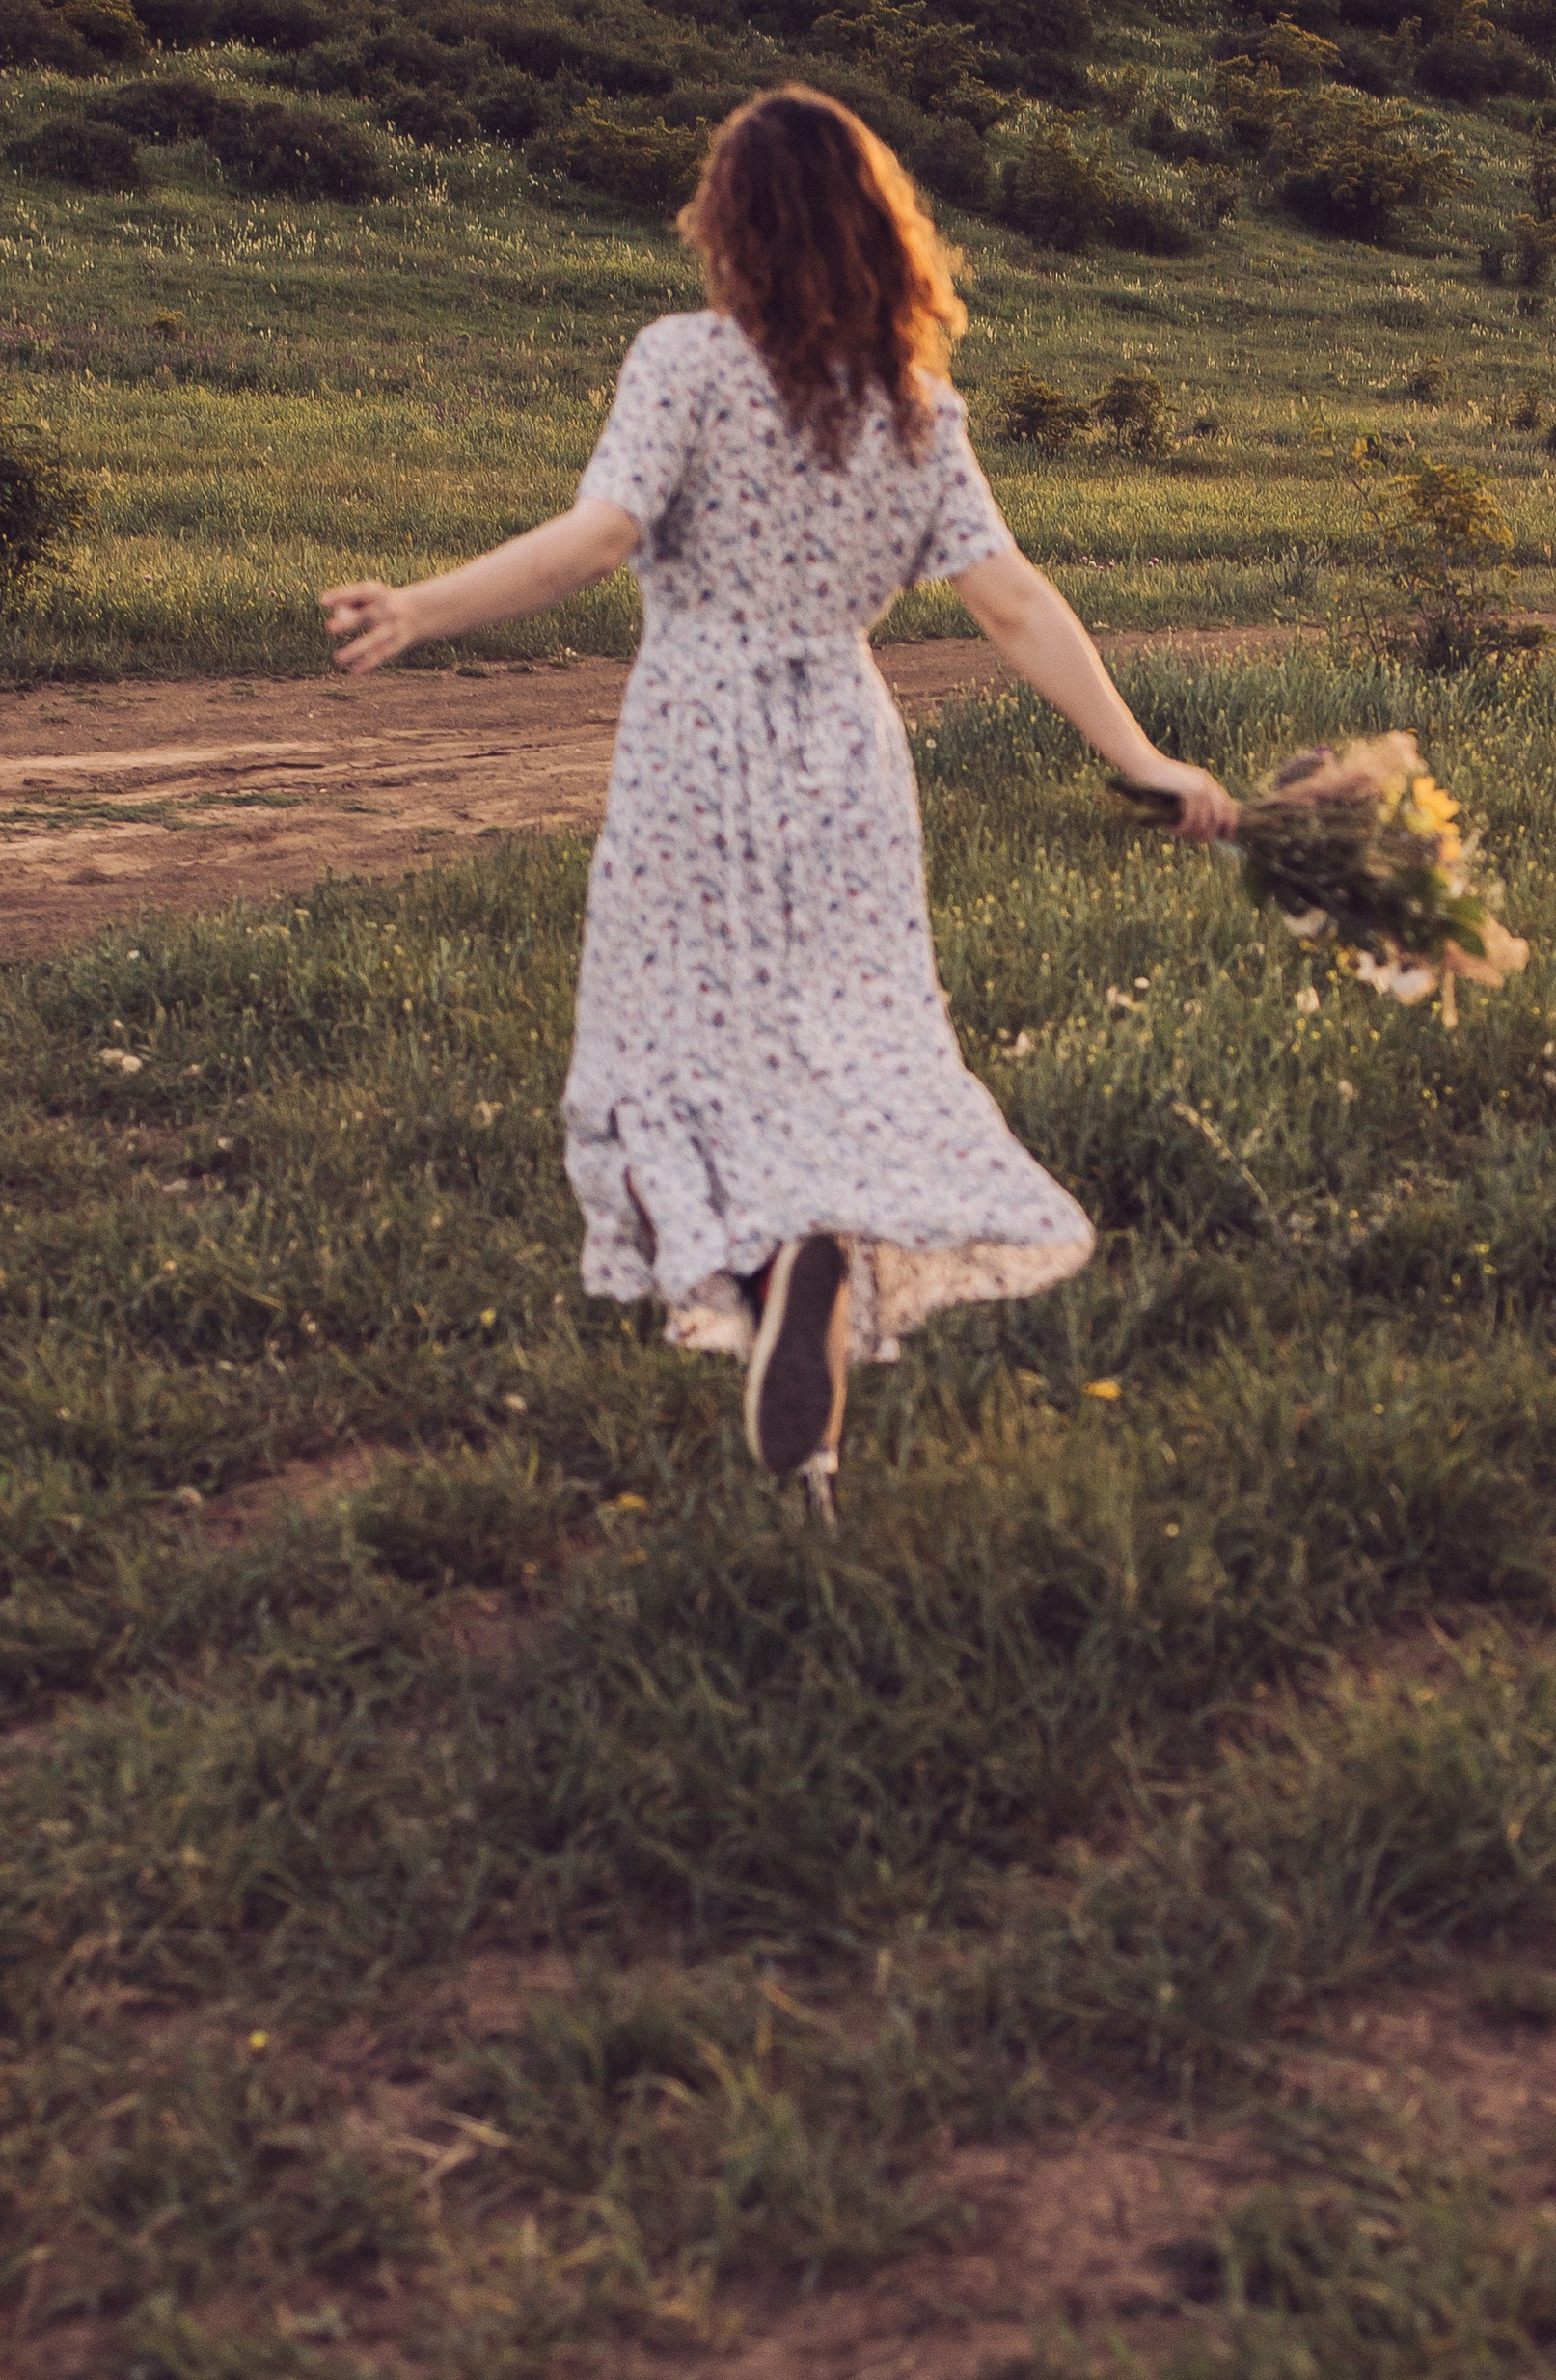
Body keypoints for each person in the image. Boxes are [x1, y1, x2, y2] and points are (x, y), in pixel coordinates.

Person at [323, 87, 1235, 1518]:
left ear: (730, 224)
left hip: (696, 744)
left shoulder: (682, 362)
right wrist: (1142, 756)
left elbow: (597, 539)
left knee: (675, 1039)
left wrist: (424, 606)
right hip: (847, 757)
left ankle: (764, 1268)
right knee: (850, 1036)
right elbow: (1012, 603)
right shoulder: (915, 406)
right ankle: (810, 1376)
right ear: (884, 232)